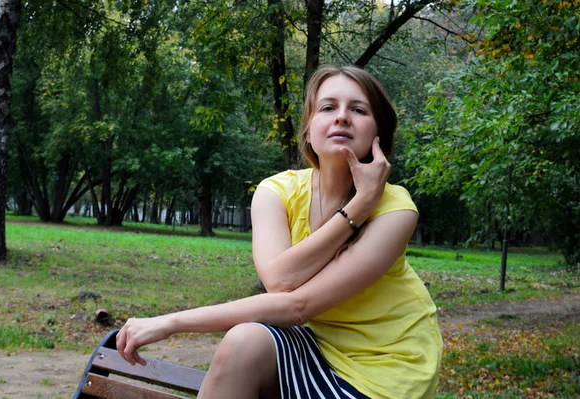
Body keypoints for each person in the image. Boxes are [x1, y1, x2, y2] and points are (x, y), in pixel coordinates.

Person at [116, 65, 443, 399]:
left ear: (378, 135)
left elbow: (296, 305)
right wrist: (359, 206)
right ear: (308, 128)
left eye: (358, 110)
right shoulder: (277, 192)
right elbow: (278, 280)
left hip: (387, 370)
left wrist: (170, 322)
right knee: (245, 342)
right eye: (328, 108)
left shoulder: (396, 210)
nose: (342, 117)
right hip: (319, 348)